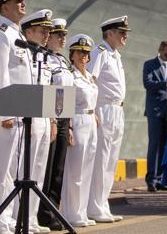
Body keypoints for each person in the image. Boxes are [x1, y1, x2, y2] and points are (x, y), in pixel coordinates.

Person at [0, 0, 32, 234]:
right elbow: (0, 75)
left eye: (23, 1)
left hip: (20, 114)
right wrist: (2, 112)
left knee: (12, 170)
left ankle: (8, 218)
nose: (23, 4)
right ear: (4, 7)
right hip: (7, 114)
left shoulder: (17, 34)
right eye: (17, 2)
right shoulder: (1, 34)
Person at [87, 16, 131, 223]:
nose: (125, 37)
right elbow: (89, 80)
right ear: (110, 33)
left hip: (116, 111)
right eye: (122, 33)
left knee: (110, 161)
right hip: (103, 109)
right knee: (100, 160)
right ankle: (94, 207)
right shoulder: (100, 53)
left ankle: (102, 204)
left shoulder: (116, 55)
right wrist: (92, 109)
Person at [15, 9, 54, 233]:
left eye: (48, 31)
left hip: (42, 118)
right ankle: (16, 217)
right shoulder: (22, 54)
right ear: (29, 31)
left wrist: (51, 120)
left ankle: (30, 218)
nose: (46, 35)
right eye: (42, 31)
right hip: (25, 118)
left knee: (37, 170)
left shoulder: (43, 56)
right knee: (21, 170)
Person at [38, 18, 73, 231]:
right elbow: (49, 90)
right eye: (58, 35)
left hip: (63, 117)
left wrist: (67, 124)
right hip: (51, 116)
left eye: (64, 35)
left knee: (58, 168)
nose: (63, 39)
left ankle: (53, 210)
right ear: (48, 37)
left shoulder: (62, 61)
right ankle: (43, 213)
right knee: (47, 167)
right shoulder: (44, 59)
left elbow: (67, 93)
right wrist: (52, 119)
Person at [60, 34, 99, 227]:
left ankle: (81, 212)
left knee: (87, 169)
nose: (83, 56)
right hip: (78, 120)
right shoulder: (71, 76)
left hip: (91, 121)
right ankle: (70, 212)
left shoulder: (89, 77)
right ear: (72, 55)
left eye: (86, 53)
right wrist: (68, 126)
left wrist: (95, 116)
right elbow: (66, 102)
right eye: (79, 52)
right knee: (75, 170)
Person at [142, 40, 167, 192]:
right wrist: (166, 83)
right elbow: (147, 84)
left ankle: (162, 179)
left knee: (166, 146)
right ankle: (151, 179)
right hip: (155, 111)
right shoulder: (149, 64)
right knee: (154, 145)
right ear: (161, 50)